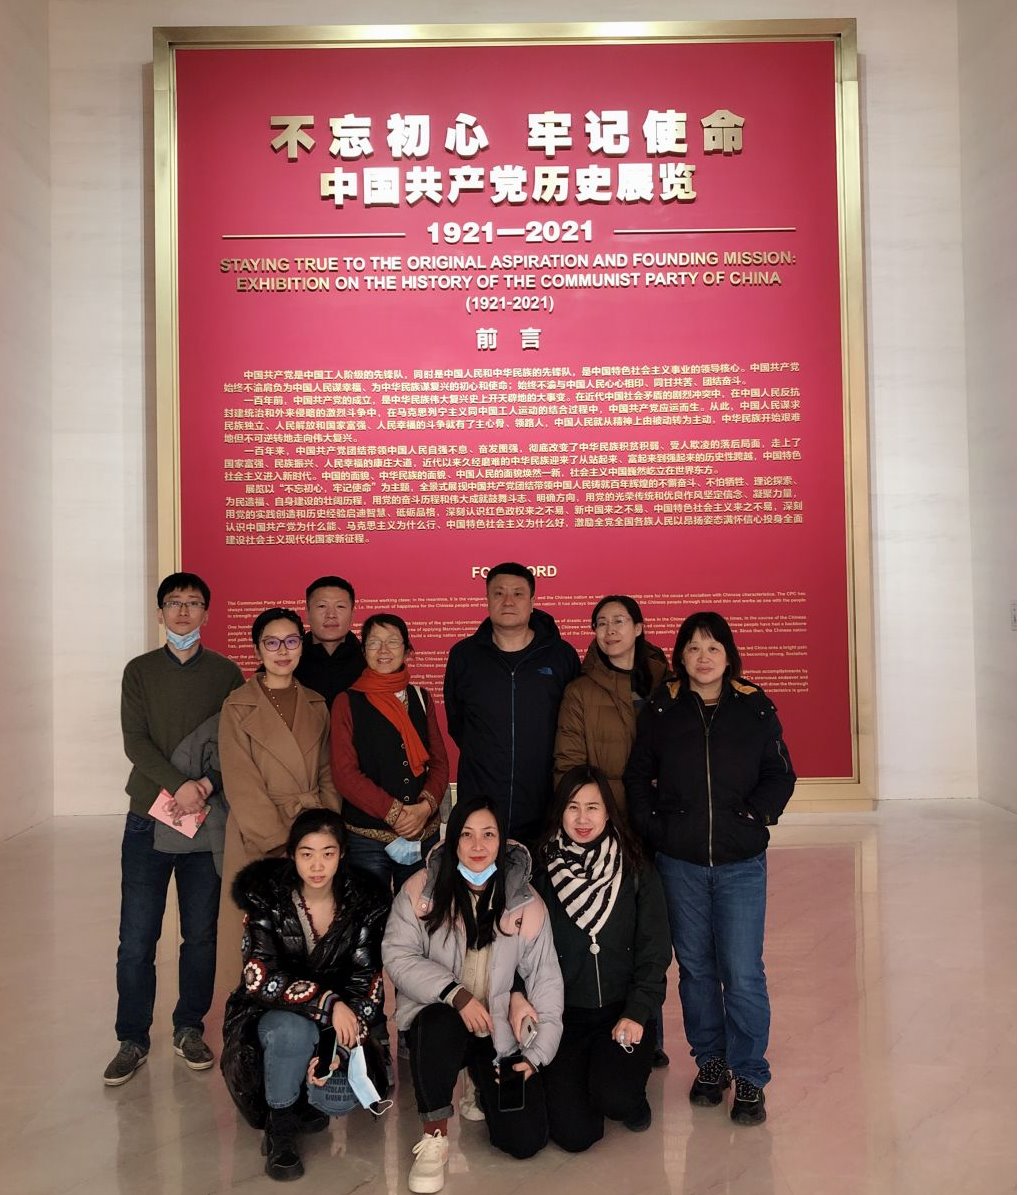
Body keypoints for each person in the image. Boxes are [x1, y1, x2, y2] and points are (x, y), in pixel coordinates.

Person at [624, 611, 796, 1126]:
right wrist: (657, 828)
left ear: (728, 655)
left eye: (713, 647)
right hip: (681, 863)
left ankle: (750, 1074)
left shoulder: (755, 706)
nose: (703, 657)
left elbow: (780, 774)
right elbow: (637, 777)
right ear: (680, 655)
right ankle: (711, 1062)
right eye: (694, 647)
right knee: (696, 968)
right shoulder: (662, 708)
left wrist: (756, 815)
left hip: (741, 863)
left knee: (742, 972)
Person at [383, 796, 564, 1193]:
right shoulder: (422, 890)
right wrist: (455, 993)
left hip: (496, 1028)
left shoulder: (525, 901)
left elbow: (547, 979)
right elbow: (398, 955)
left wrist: (535, 1054)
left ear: (502, 841)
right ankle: (434, 1136)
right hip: (442, 1020)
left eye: (488, 834)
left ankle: (479, 1084)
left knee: (525, 1140)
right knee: (437, 1023)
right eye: (466, 835)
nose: (477, 845)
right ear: (452, 840)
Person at [105, 571, 244, 1086]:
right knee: (137, 937)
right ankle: (132, 1037)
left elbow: (234, 743)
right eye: (174, 603)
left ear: (207, 612)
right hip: (147, 819)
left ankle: (189, 1027)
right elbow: (135, 741)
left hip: (203, 819)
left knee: (201, 934)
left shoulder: (226, 674)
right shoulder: (139, 671)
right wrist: (178, 785)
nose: (183, 611)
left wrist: (204, 785)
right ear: (160, 612)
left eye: (193, 603)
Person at [221, 809, 391, 1181]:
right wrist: (329, 1005)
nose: (317, 865)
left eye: (328, 853)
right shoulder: (266, 899)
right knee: (291, 1031)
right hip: (265, 1015)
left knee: (338, 1097)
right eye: (307, 853)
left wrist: (336, 1047)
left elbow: (368, 983)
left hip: (332, 1021)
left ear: (342, 854)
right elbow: (260, 978)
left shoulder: (363, 903)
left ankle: (302, 1091)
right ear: (292, 855)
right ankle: (279, 1127)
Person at [528, 765, 671, 1151]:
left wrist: (638, 1011)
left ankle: (628, 1088)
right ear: (560, 812)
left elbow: (655, 950)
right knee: (574, 1137)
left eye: (592, 807)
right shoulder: (539, 871)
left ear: (608, 812)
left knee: (616, 1100)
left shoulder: (636, 866)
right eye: (572, 807)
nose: (582, 819)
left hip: (622, 1013)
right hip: (566, 1018)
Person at [218, 607, 342, 964]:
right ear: (257, 649)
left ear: (302, 645)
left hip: (312, 836)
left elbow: (328, 772)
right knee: (261, 940)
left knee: (312, 935)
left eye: (291, 641)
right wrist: (279, 841)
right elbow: (241, 783)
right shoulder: (237, 706)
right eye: (271, 643)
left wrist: (322, 830)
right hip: (260, 836)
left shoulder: (317, 703)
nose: (282, 651)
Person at [443, 562, 580, 844]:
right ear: (487, 599)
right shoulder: (464, 656)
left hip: (544, 803)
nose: (508, 601)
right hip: (481, 804)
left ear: (532, 601)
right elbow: (458, 723)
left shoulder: (560, 655)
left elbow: (572, 725)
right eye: (499, 593)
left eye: (518, 593)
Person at [330, 613, 449, 892]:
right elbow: (345, 774)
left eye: (393, 642)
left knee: (420, 910)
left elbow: (440, 763)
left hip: (423, 831)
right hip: (368, 839)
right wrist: (395, 814)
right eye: (374, 643)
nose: (383, 650)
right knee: (371, 912)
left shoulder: (421, 697)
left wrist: (424, 809)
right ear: (364, 651)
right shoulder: (347, 701)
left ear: (407, 650)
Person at [293, 575, 364, 708]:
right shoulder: (290, 659)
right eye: (322, 606)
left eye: (340, 606)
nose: (331, 614)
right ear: (307, 613)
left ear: (352, 614)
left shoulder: (368, 660)